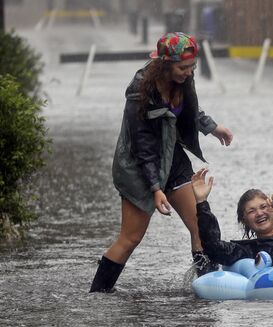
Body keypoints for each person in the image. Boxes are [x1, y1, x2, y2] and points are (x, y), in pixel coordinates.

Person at [89, 32, 234, 292]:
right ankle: (98, 294)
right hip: (138, 167)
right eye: (182, 68)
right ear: (165, 64)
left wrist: (212, 127)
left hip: (173, 159)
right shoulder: (140, 90)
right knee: (131, 237)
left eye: (192, 67)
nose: (189, 73)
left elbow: (191, 109)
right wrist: (156, 189)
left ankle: (208, 289)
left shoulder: (183, 79)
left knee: (200, 227)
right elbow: (142, 146)